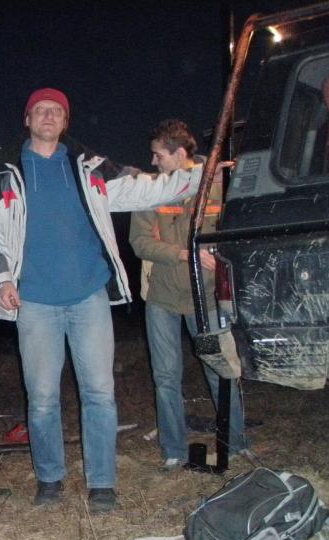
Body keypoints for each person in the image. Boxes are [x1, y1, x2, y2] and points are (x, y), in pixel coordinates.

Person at [0, 88, 206, 511]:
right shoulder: (0, 174)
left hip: (88, 297)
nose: (48, 116)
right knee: (42, 398)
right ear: (27, 119)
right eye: (40, 110)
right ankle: (50, 480)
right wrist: (2, 280)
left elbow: (148, 189)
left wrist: (202, 173)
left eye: (56, 111)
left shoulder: (91, 167)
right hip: (33, 301)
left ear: (65, 121)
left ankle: (102, 484)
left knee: (99, 393)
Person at [129, 119, 248, 471]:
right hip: (162, 300)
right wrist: (185, 253)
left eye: (159, 155)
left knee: (220, 368)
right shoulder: (151, 190)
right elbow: (140, 243)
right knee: (166, 377)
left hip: (206, 299)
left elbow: (235, 234)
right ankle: (174, 450)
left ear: (180, 154)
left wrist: (219, 253)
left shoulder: (218, 184)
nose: (153, 162)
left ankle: (236, 442)